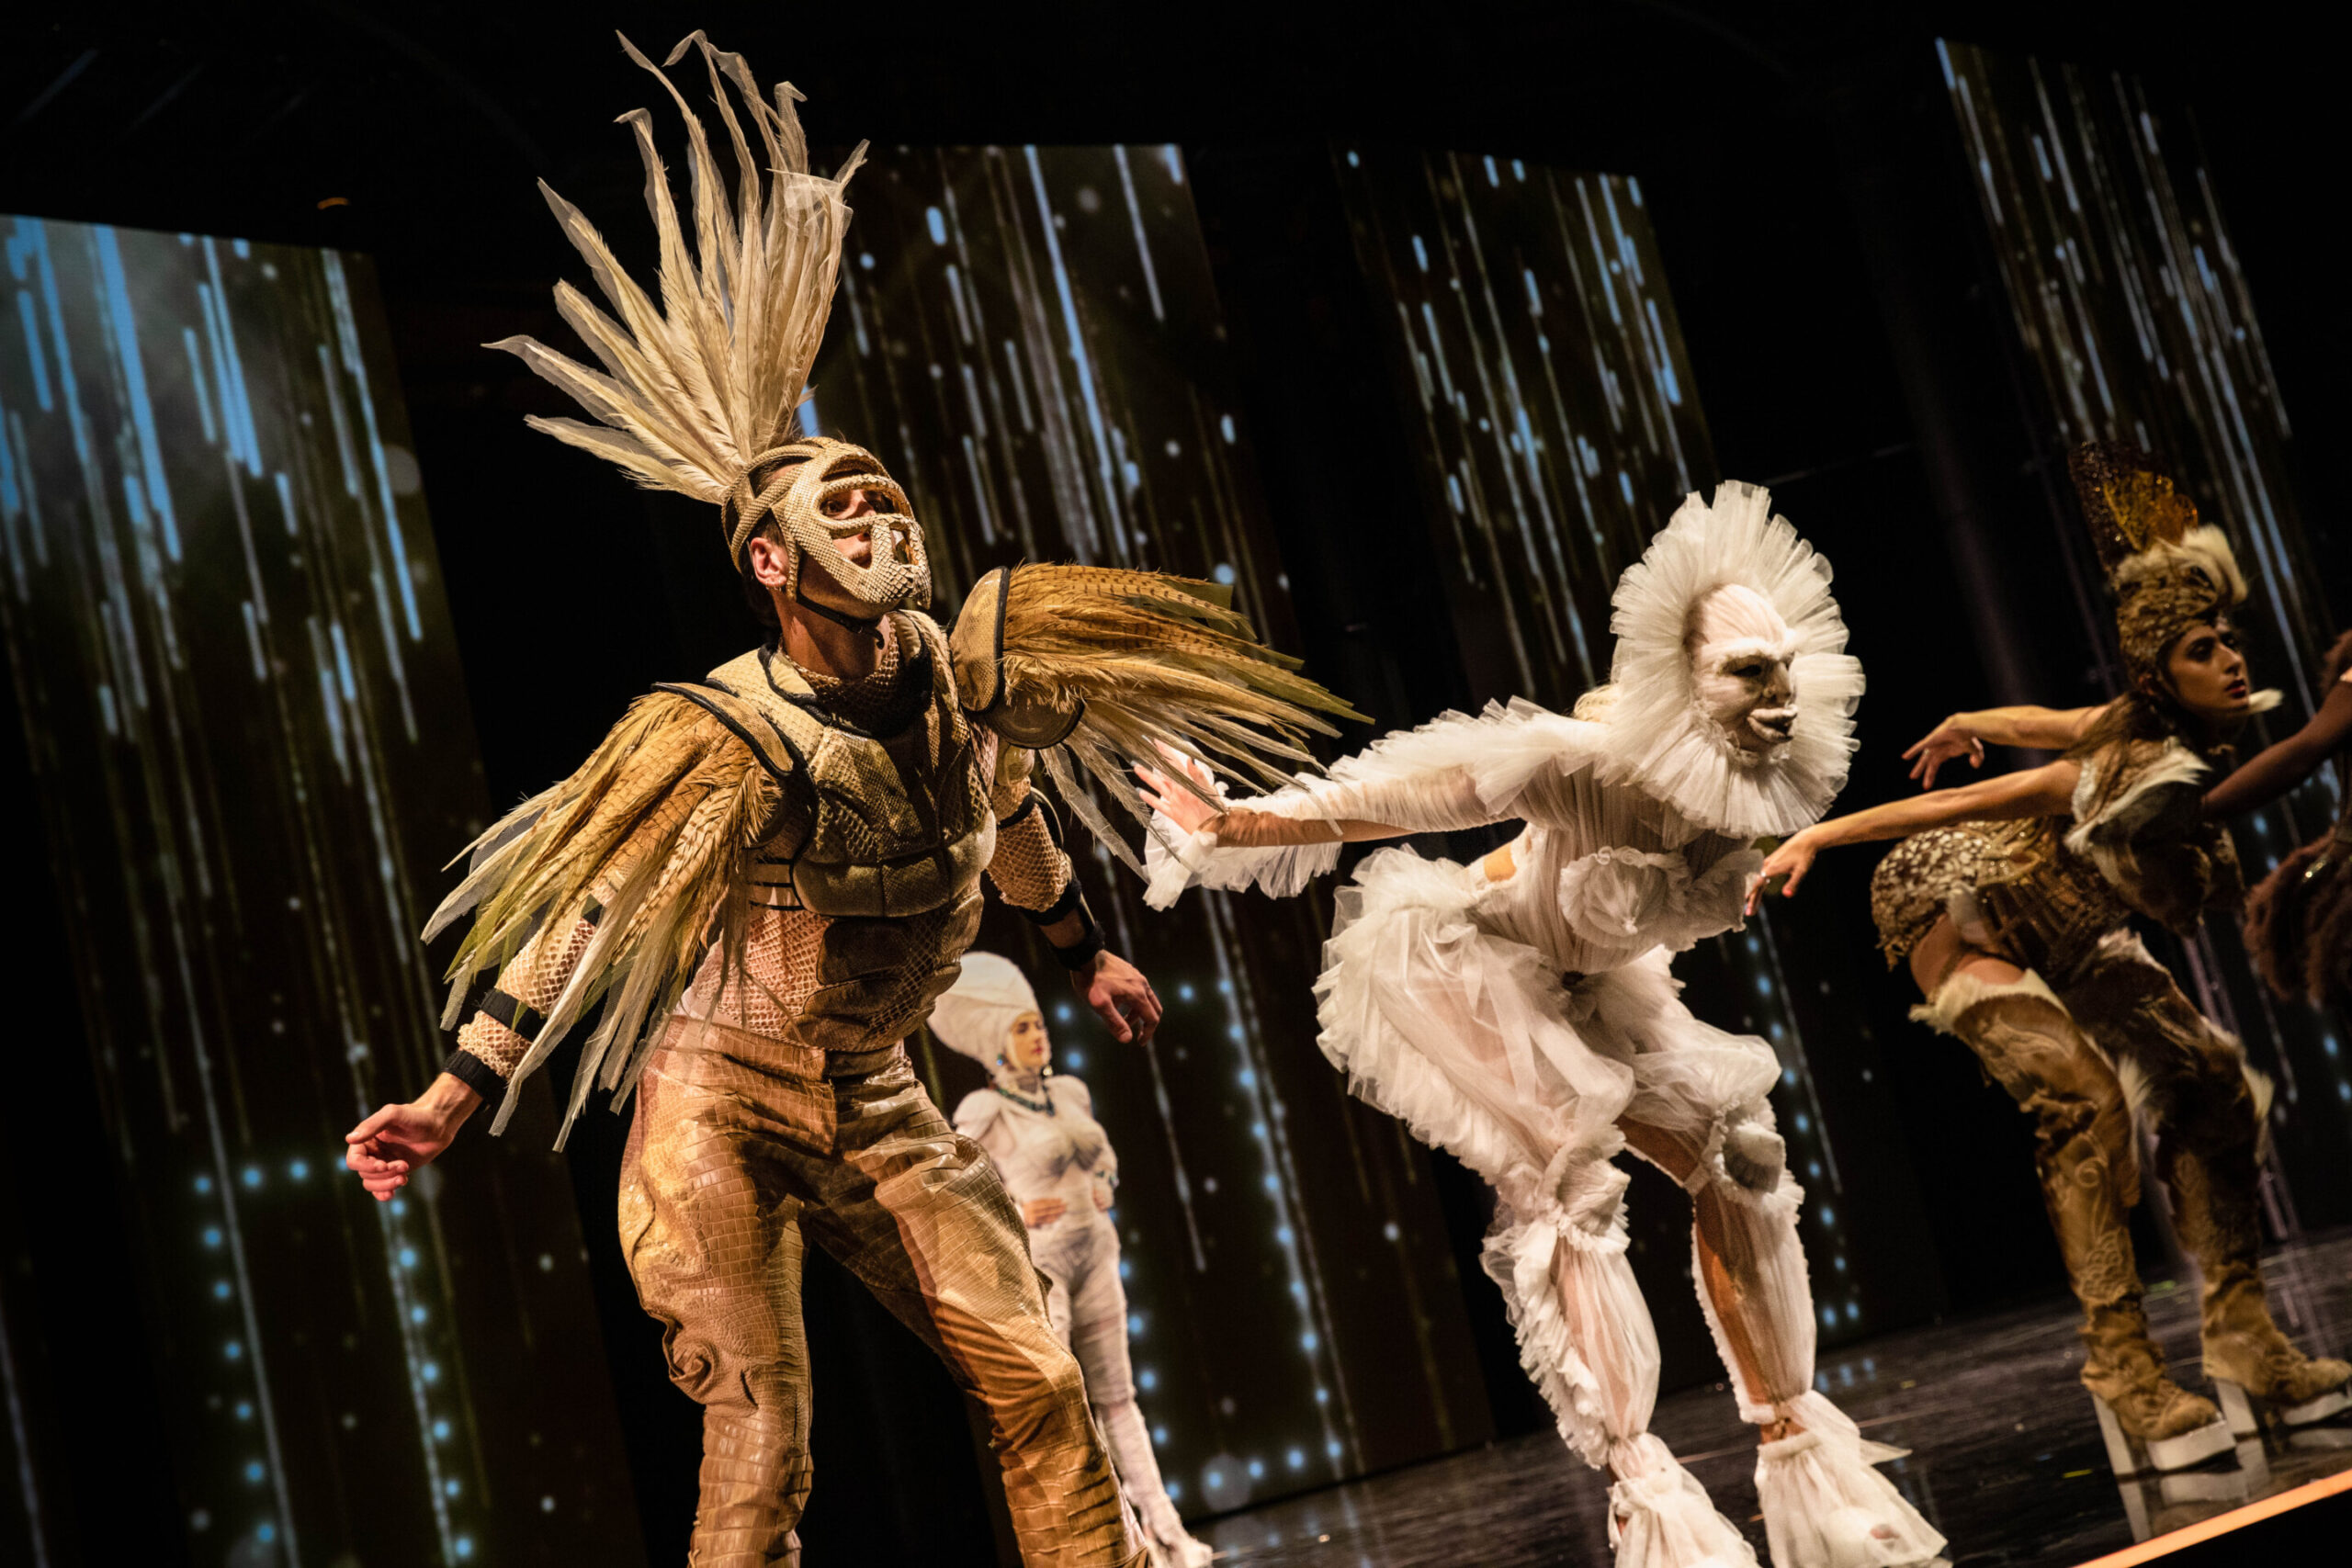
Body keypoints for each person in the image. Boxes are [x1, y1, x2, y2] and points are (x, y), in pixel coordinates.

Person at [339, 34, 1351, 1567]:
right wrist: (450, 1098)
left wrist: (1087, 954)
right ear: (768, 559)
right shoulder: (724, 737)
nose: (877, 510)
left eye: (886, 489)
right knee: (760, 1439)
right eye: (841, 501)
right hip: (719, 1101)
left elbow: (1003, 829)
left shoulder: (966, 683)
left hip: (876, 1091)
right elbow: (596, 915)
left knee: (1038, 1377)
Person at [1142, 483, 1944, 1568]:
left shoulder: (1757, 780)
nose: (1780, 697)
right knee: (1575, 1178)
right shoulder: (1587, 764)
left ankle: (1800, 1454)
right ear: (1684, 679)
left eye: (1784, 668)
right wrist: (1239, 821)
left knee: (1741, 1152)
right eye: (1747, 673)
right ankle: (1649, 1497)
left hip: (1594, 980)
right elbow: (1419, 795)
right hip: (1475, 964)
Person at [1753, 443, 2352, 1471]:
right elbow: (1954, 804)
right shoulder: (2127, 770)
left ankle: (2243, 1337)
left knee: (2211, 1080)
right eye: (2205, 649)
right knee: (2083, 1101)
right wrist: (1816, 835)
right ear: (2164, 676)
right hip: (1958, 901)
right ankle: (2119, 1369)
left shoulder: (2141, 724)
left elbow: (2050, 718)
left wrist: (1968, 716)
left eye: (2227, 642)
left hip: (2072, 926)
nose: (2232, 659)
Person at [931, 953, 1216, 1568]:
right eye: (1023, 1028)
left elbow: (1105, 1156)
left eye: (1039, 1024)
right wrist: (1013, 1206)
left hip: (1098, 1251)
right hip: (1048, 1267)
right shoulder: (985, 1111)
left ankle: (1170, 1533)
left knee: (1119, 1398)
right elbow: (956, 1186)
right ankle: (1126, 1542)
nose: (1039, 1035)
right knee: (1072, 1404)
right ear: (996, 1042)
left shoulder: (1070, 1091)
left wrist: (1106, 1179)